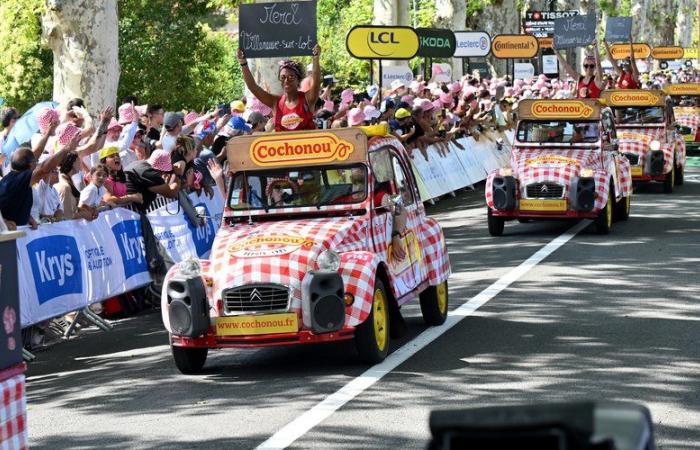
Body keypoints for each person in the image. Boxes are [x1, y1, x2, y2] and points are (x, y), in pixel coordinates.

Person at [0, 131, 80, 230]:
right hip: (9, 240)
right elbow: (44, 168)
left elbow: (36, 154)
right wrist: (67, 148)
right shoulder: (20, 180)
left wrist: (28, 217)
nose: (37, 163)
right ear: (31, 165)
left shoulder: (11, 180)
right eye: (36, 162)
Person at [237, 44, 321, 132]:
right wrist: (243, 63)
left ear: (298, 79)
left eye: (291, 77)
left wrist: (315, 58)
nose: (286, 80)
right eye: (283, 77)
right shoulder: (275, 102)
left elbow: (316, 80)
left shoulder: (307, 99)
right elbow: (252, 86)